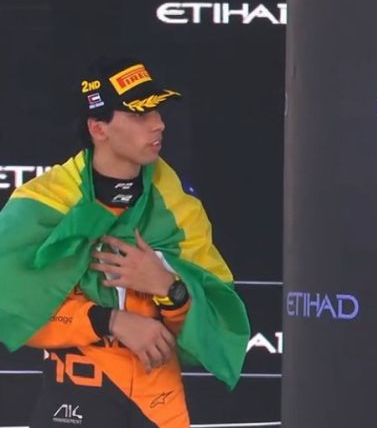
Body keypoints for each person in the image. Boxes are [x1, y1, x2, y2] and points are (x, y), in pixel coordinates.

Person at [0, 57, 250, 428]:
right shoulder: (42, 204)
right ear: (98, 128)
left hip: (158, 409)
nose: (158, 124)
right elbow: (11, 305)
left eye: (157, 111)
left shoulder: (178, 210)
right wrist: (109, 320)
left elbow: (217, 323)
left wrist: (169, 288)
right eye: (139, 114)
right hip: (72, 404)